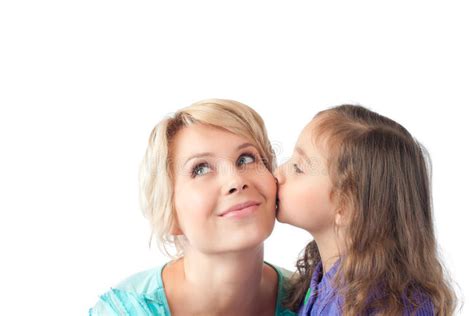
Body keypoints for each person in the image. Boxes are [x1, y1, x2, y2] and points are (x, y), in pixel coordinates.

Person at [90, 99, 295, 316]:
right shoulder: (123, 311)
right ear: (170, 212)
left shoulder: (314, 301)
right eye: (200, 169)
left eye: (245, 158)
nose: (236, 180)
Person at [275, 105, 456, 315]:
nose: (278, 173)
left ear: (347, 206)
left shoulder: (385, 305)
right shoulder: (324, 280)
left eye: (298, 167)